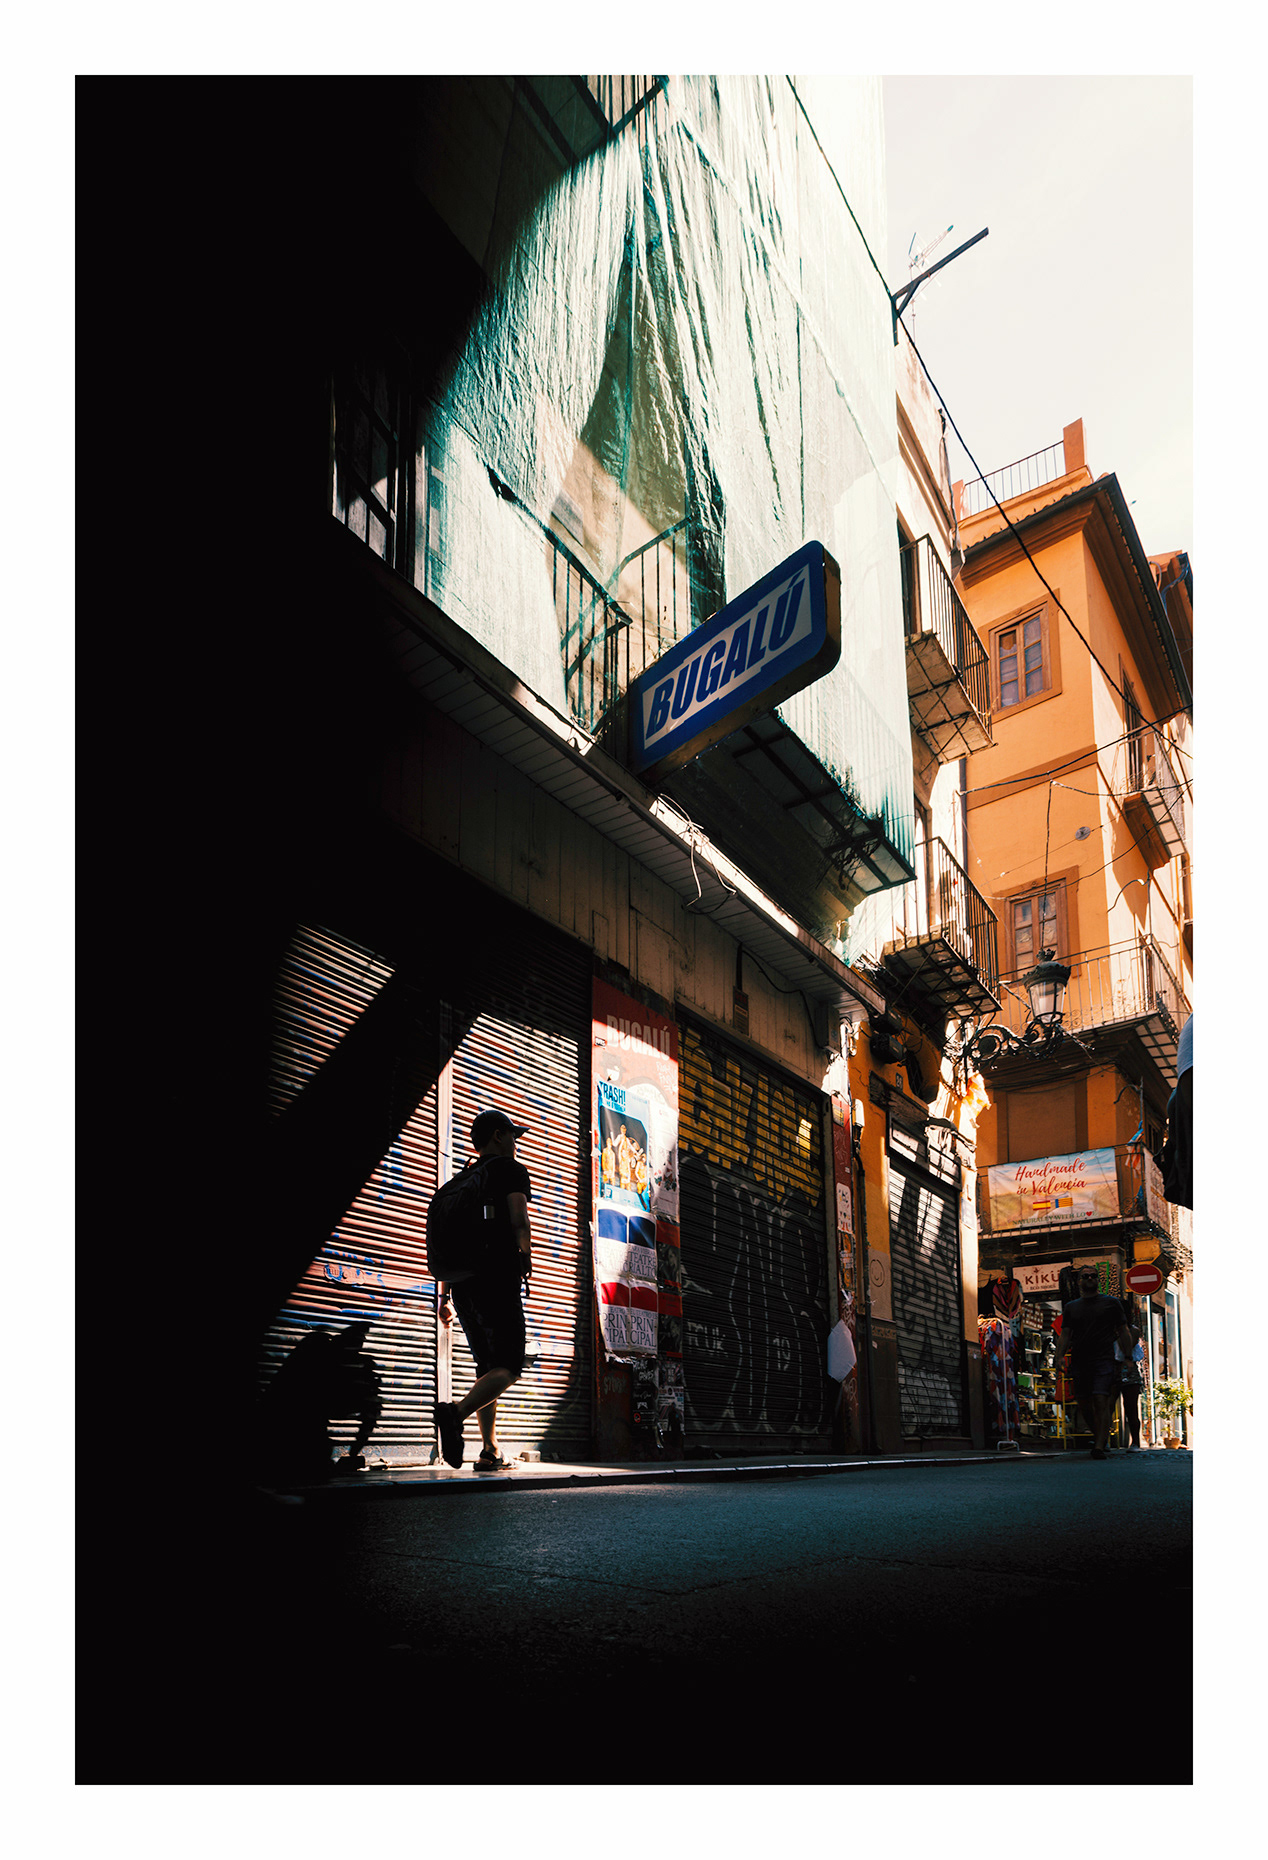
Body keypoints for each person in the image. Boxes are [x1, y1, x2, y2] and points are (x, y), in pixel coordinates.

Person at [434, 1109, 533, 1472]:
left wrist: (443, 1296)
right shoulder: (509, 1170)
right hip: (495, 1277)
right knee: (508, 1366)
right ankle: (455, 1413)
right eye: (511, 1135)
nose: (515, 1143)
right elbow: (519, 1220)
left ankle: (490, 1449)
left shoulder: (464, 1178)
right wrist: (524, 1257)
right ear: (496, 1136)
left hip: (462, 1284)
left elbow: (450, 1240)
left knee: (486, 1368)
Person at [1053, 1265, 1135, 1459]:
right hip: (1080, 1359)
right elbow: (1065, 1334)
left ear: (1098, 1280)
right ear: (1079, 1281)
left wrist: (1128, 1357)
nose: (1089, 1278)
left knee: (1100, 1399)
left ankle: (1098, 1446)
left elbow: (1123, 1331)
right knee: (1083, 1403)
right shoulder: (1072, 1307)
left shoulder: (1111, 1303)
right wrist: (1059, 1356)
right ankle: (1100, 1436)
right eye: (1085, 1276)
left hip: (1103, 1359)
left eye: (1093, 1276)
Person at [1114, 1323, 1145, 1451]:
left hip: (1128, 1369)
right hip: (1114, 1368)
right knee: (1106, 1406)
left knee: (1131, 1408)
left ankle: (1136, 1442)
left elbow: (1127, 1345)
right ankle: (1102, 1440)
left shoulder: (1132, 1331)